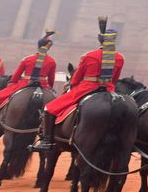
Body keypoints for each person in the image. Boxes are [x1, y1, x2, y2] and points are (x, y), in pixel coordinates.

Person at [39, 19, 123, 149]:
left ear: (100, 41)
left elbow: (76, 78)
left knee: (49, 108)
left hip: (87, 88)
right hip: (109, 90)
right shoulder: (120, 58)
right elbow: (115, 79)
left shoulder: (89, 56)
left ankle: (47, 141)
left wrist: (73, 87)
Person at [0, 31, 56, 112]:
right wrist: (50, 87)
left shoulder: (27, 59)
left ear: (38, 46)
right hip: (43, 85)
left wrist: (13, 82)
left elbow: (15, 77)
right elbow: (51, 79)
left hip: (25, 84)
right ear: (48, 47)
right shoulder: (52, 61)